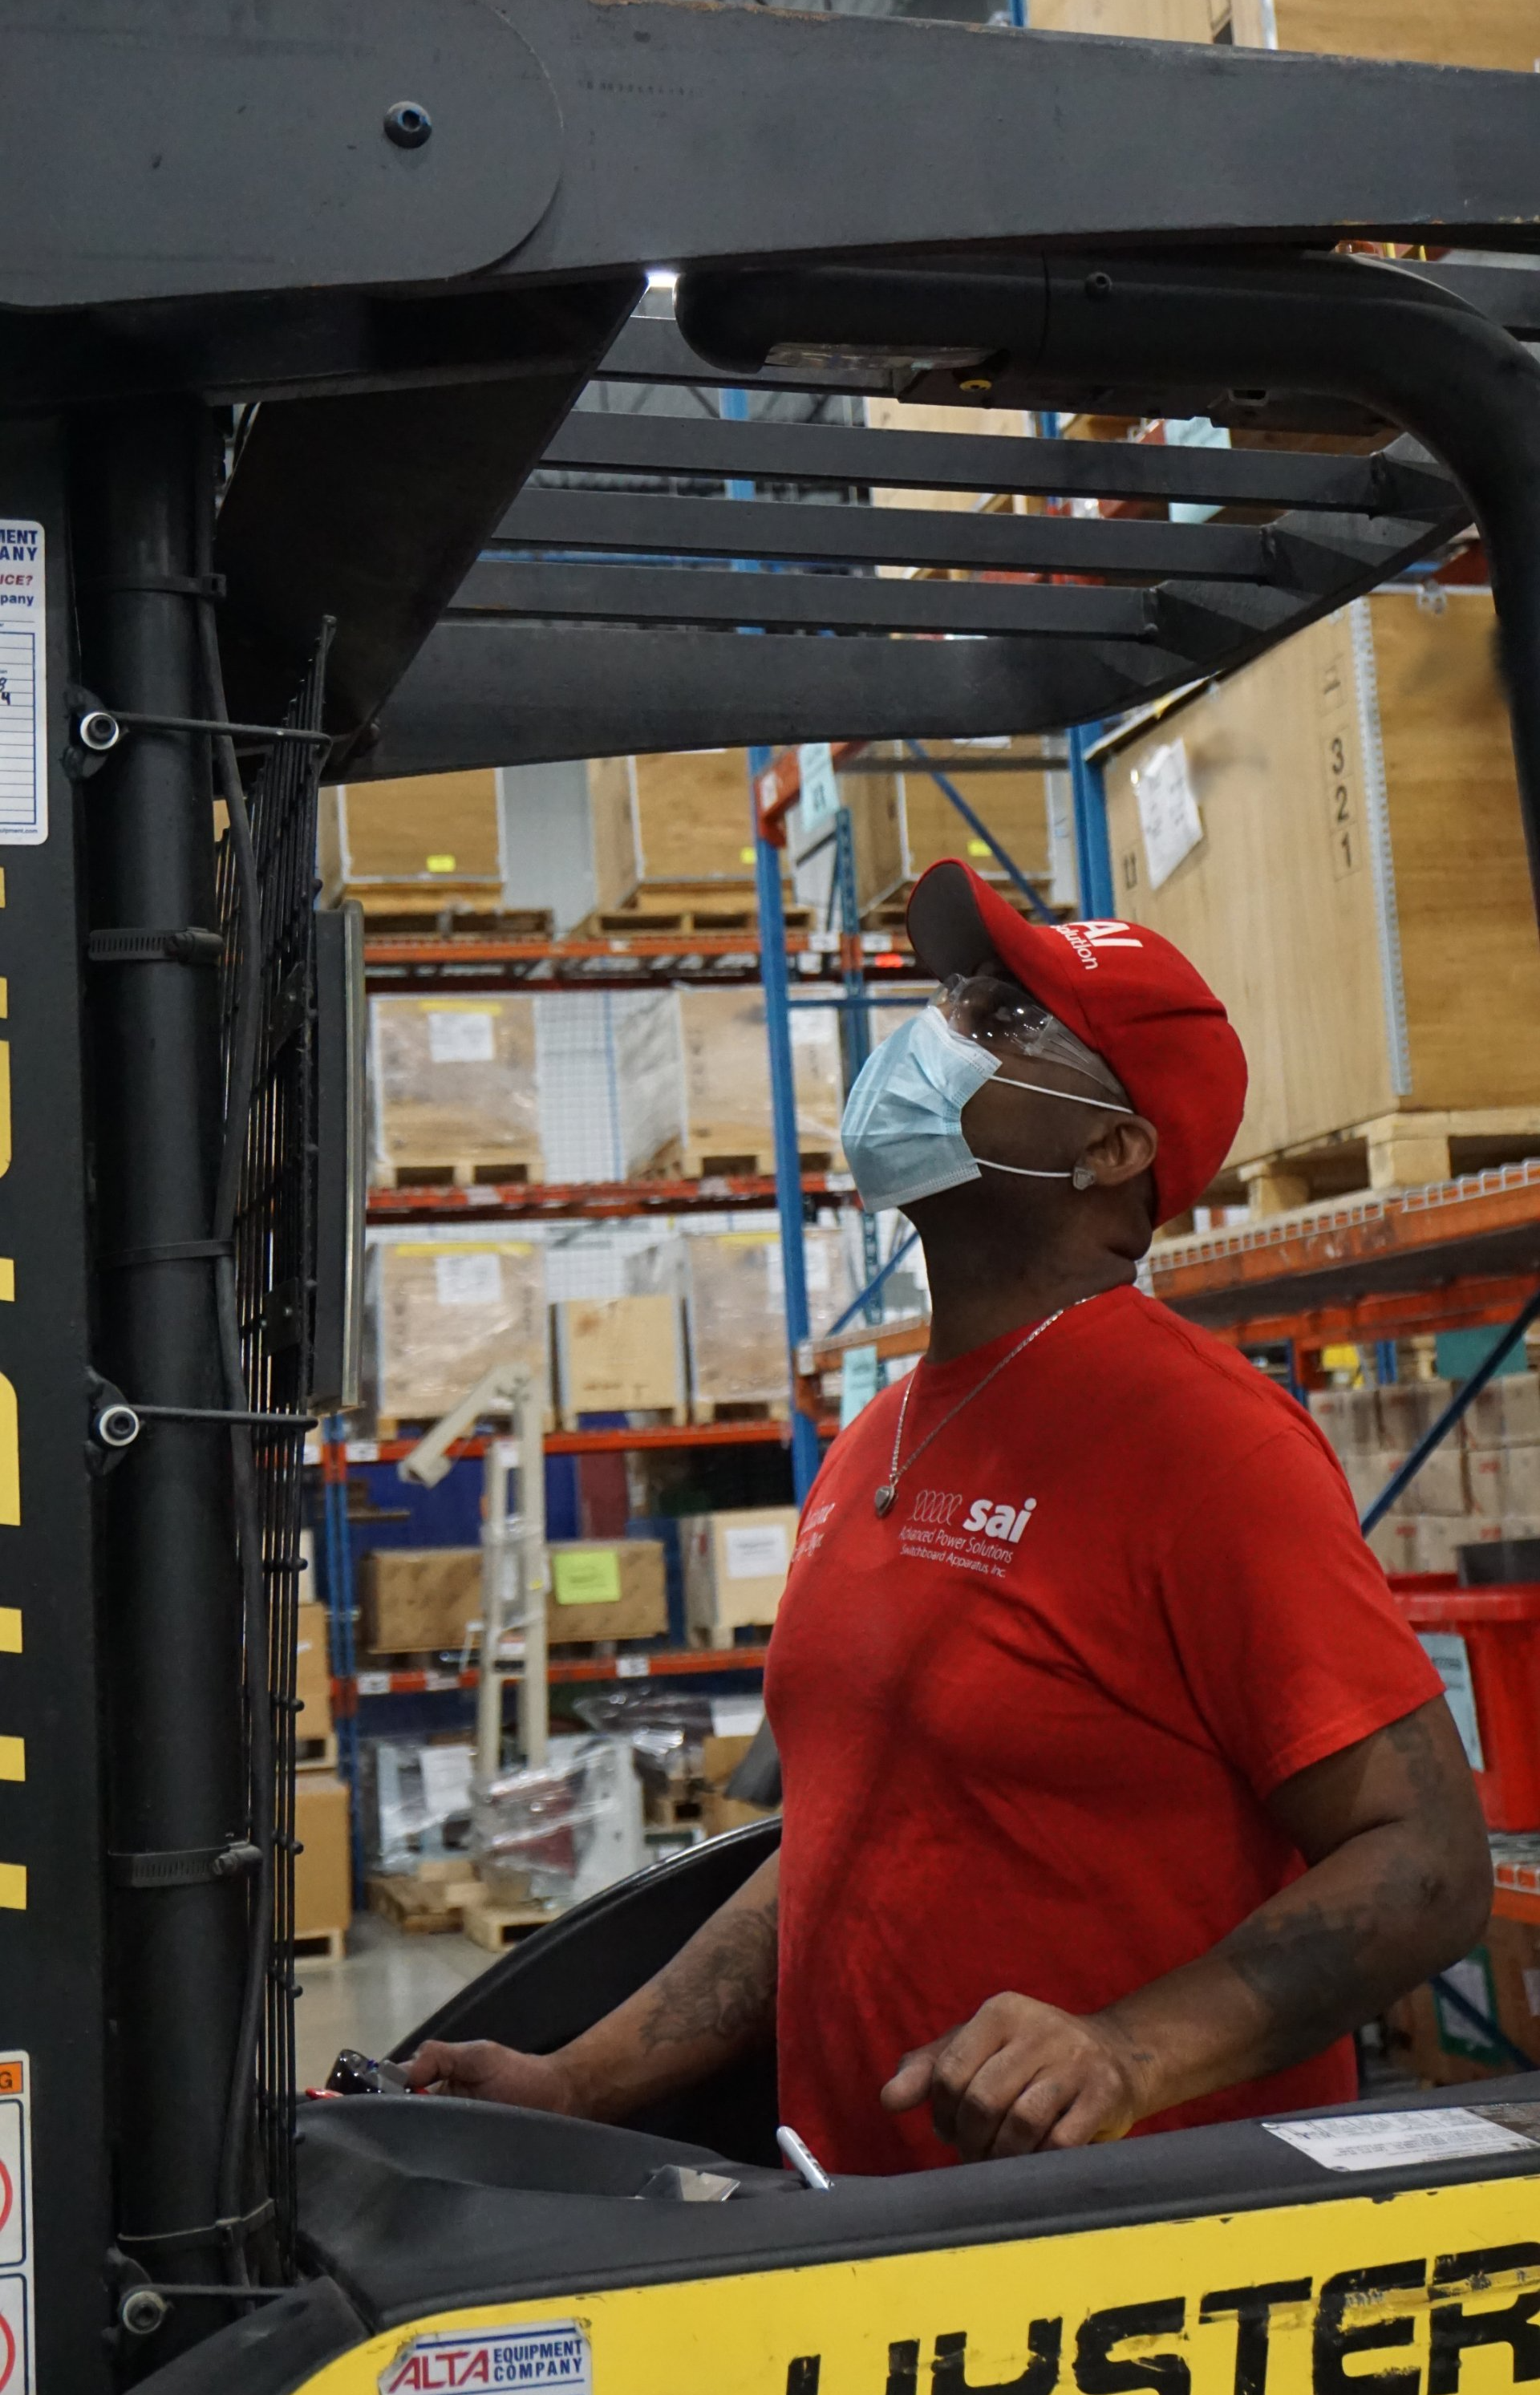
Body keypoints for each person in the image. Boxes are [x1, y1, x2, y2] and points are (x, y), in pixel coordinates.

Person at [407, 858, 1490, 2174]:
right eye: (955, 998)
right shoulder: (880, 1435)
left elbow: (1427, 1858)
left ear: (1113, 1149)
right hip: (864, 2226)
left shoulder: (1207, 1445)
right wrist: (579, 2079)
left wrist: (1127, 2050)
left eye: (1005, 1018)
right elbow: (840, 1845)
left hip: (1119, 2241)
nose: (937, 1035)